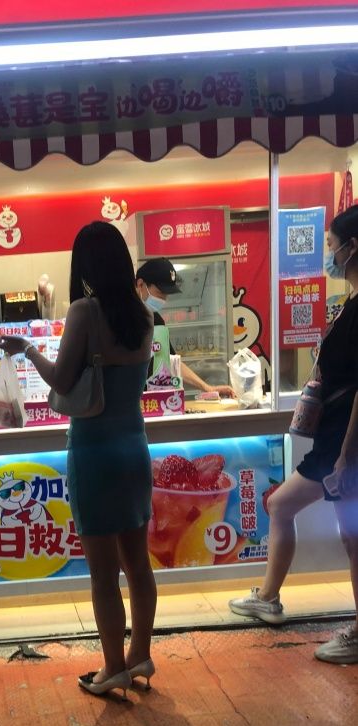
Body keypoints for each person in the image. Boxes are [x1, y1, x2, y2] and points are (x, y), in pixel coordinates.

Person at [0, 222, 157, 697]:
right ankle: (140, 655)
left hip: (94, 454)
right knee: (137, 565)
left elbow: (62, 381)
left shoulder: (85, 311)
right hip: (134, 448)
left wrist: (27, 349)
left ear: (84, 266)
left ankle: (112, 668)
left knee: (103, 574)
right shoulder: (144, 315)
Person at [229, 204, 358, 665]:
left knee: (351, 536)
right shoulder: (351, 305)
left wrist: (346, 455)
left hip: (345, 445)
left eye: (331, 246)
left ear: (352, 247)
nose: (329, 255)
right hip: (336, 443)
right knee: (287, 508)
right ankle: (268, 597)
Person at [137, 258, 236, 397]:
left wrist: (207, 388)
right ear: (140, 284)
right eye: (160, 293)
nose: (163, 299)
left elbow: (171, 360)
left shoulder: (155, 320)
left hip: (153, 401)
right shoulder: (119, 318)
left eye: (166, 295)